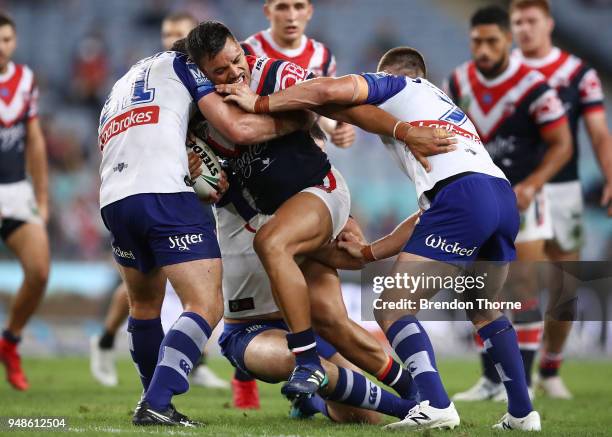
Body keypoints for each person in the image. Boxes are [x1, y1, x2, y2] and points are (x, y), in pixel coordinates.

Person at [216, 41, 567, 430]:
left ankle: (434, 405)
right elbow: (428, 212)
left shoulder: (402, 85)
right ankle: (522, 413)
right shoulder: (448, 111)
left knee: (391, 307)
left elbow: (327, 90)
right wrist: (369, 253)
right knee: (484, 308)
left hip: (463, 196)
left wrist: (259, 103)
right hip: (497, 198)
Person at [186, 20, 456, 403]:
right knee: (333, 321)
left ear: (239, 47)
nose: (234, 73)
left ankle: (308, 361)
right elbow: (208, 181)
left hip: (320, 192)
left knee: (272, 244)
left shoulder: (275, 73)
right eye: (220, 71)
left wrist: (403, 131)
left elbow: (342, 107)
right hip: (280, 215)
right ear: (203, 74)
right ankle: (423, 398)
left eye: (235, 60)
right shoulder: (199, 118)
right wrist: (197, 178)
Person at [89, 10, 228, 391]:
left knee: (144, 306)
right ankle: (159, 399)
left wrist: (182, 145)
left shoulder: (123, 81)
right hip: (164, 193)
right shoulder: (187, 67)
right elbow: (230, 124)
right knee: (205, 303)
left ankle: (149, 397)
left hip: (114, 198)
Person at [444, 5, 573, 403]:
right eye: (477, 41)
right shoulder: (458, 81)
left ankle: (526, 379)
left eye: (492, 41)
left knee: (522, 286)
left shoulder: (534, 87)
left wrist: (534, 183)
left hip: (524, 199)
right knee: (480, 290)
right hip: (479, 199)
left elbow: (562, 144)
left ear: (508, 40)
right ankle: (489, 380)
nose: (483, 49)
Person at [510, 0, 612, 399]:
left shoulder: (577, 74)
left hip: (565, 190)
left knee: (565, 285)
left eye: (531, 20)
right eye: (517, 22)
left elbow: (598, 132)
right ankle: (518, 372)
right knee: (523, 279)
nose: (524, 28)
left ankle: (550, 368)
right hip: (520, 189)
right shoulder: (505, 71)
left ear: (548, 23)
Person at [0, 12, 50, 392]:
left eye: (6, 39)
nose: (2, 47)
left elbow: (33, 139)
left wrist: (42, 196)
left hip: (16, 190)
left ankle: (10, 342)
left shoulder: (25, 79)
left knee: (39, 271)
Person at [242, 0, 356, 149]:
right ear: (268, 11)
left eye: (299, 6)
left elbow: (322, 110)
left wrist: (337, 129)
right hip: (259, 154)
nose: (291, 16)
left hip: (305, 157)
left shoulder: (324, 57)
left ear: (309, 11)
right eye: (282, 7)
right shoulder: (246, 53)